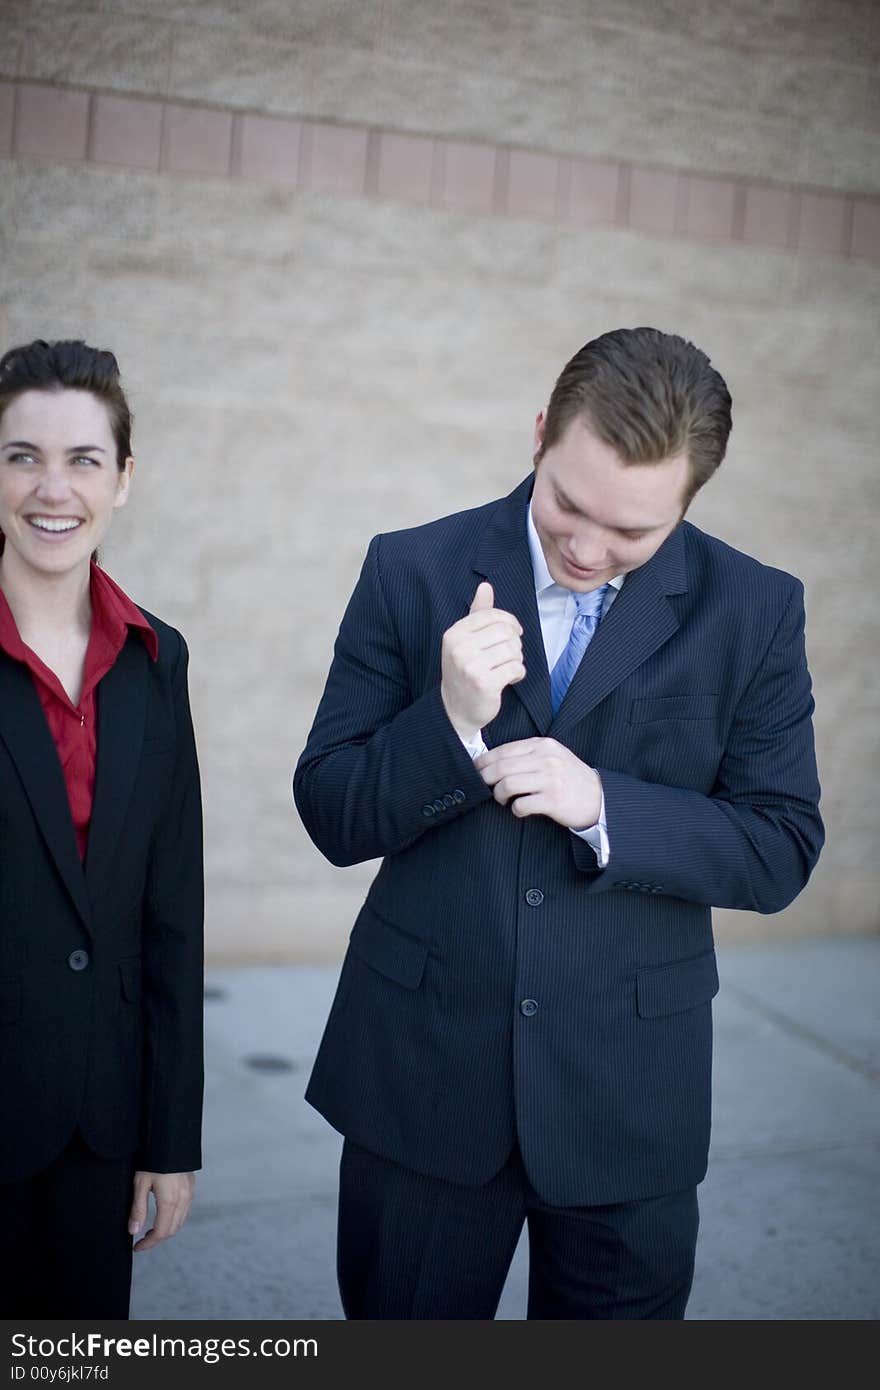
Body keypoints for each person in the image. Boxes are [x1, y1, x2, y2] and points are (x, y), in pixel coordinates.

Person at [293, 326, 823, 1320]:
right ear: (539, 433)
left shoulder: (755, 612)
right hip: (423, 1080)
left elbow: (781, 845)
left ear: (688, 501)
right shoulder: (411, 568)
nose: (584, 549)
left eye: (630, 532)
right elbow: (330, 809)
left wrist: (607, 806)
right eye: (566, 505)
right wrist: (446, 719)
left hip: (630, 1099)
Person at [0, 339, 204, 1319]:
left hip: (100, 1116)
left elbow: (173, 913)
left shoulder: (156, 661)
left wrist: (171, 1139)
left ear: (123, 480)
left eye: (84, 459)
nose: (54, 487)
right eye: (21, 455)